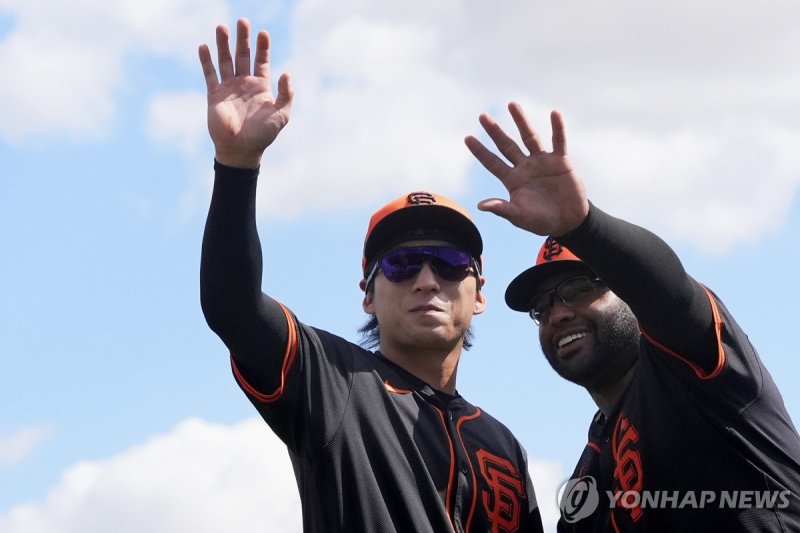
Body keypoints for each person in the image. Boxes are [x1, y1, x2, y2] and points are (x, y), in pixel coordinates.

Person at [198, 18, 544, 533]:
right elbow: (233, 307)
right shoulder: (334, 383)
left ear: (480, 294)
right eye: (402, 265)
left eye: (449, 265)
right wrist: (236, 164)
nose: (427, 280)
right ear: (368, 295)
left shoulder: (503, 447)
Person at [465, 102, 800, 531]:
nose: (558, 314)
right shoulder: (584, 484)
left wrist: (583, 227)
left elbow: (670, 291)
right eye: (542, 307)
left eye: (579, 289)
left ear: (627, 292)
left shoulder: (693, 373)